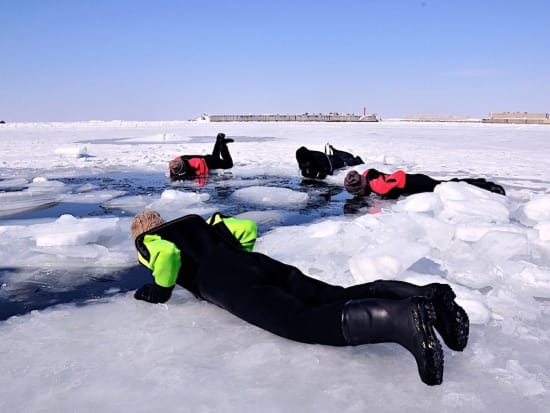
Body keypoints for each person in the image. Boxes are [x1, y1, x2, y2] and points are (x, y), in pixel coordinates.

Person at [130, 211, 470, 386]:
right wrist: (238, 258)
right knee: (333, 295)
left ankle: (399, 320)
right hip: (261, 267)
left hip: (237, 287)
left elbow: (168, 257)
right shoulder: (200, 223)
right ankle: (426, 297)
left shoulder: (150, 240)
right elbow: (246, 227)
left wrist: (159, 291)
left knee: (300, 321)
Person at [344, 168, 506, 199]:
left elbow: (398, 177)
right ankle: (478, 182)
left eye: (356, 192)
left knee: (447, 187)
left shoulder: (377, 186)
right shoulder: (368, 177)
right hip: (414, 180)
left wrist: (385, 198)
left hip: (417, 183)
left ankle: (485, 187)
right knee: (447, 184)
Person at [169, 133, 234, 185]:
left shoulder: (188, 166)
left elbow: (199, 163)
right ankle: (219, 139)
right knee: (215, 157)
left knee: (228, 164)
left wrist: (202, 178)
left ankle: (222, 143)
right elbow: (175, 167)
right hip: (200, 159)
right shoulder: (176, 164)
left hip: (204, 162)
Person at [296, 144, 364, 179]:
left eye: (305, 163)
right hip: (321, 162)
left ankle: (356, 160)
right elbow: (304, 171)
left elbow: (329, 171)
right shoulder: (302, 159)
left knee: (344, 162)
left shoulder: (318, 157)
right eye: (302, 164)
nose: (304, 165)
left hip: (331, 161)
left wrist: (322, 174)